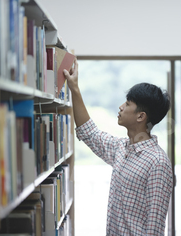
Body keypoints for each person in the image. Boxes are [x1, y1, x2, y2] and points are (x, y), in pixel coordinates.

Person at [63, 58, 173, 236]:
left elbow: (154, 229)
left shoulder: (158, 163)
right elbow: (89, 132)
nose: (121, 107)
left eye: (128, 103)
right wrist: (74, 88)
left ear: (141, 116)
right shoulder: (121, 148)